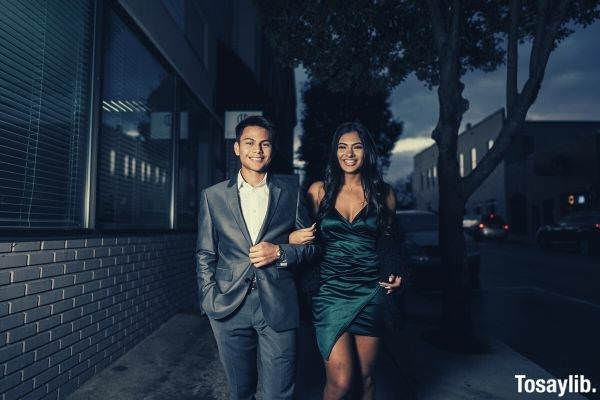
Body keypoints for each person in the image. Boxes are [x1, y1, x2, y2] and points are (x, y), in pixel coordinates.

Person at [195, 115, 319, 400]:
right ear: (237, 147)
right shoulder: (212, 196)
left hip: (278, 303)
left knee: (278, 394)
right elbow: (205, 252)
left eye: (265, 144)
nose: (257, 150)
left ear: (272, 150)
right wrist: (208, 297)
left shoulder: (291, 192)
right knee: (241, 392)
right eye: (249, 143)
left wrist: (279, 251)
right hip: (228, 304)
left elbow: (311, 246)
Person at [289, 122, 403, 400]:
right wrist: (292, 238)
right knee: (340, 382)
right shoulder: (318, 191)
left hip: (371, 291)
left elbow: (390, 241)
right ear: (335, 153)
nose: (349, 154)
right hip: (329, 293)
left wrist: (397, 270)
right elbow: (304, 236)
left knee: (366, 379)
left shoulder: (384, 194)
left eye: (357, 147)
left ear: (367, 153)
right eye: (342, 147)